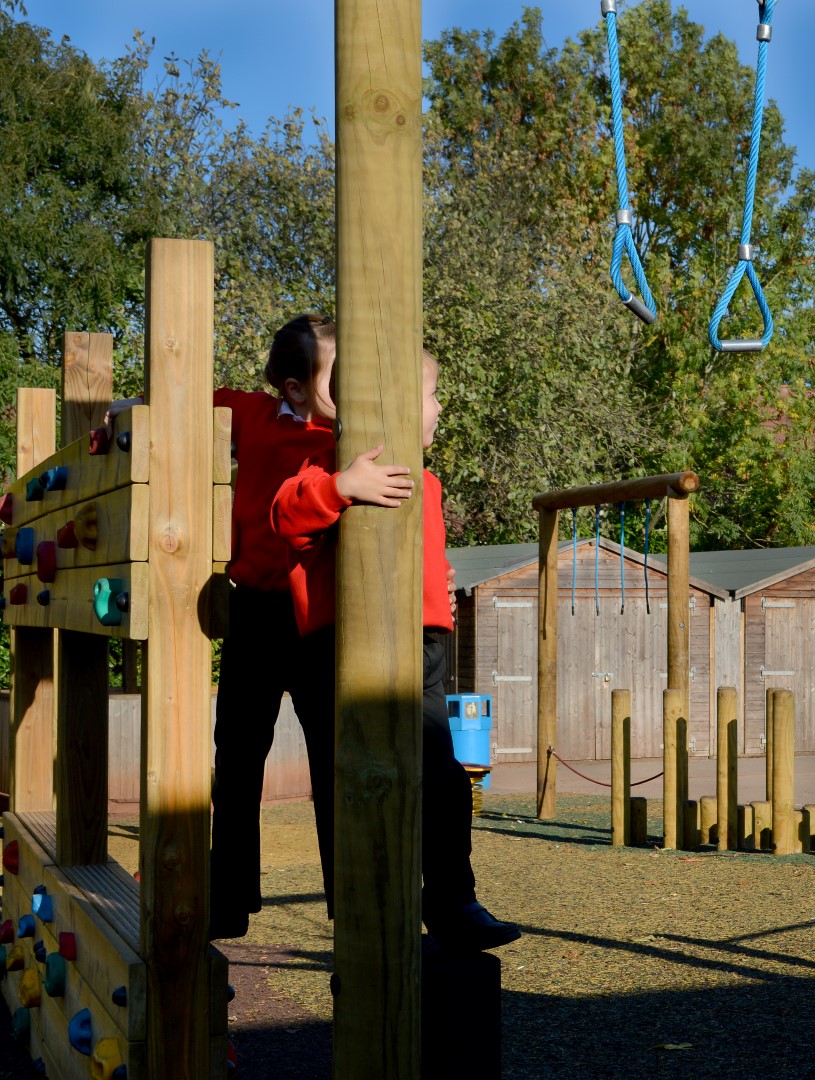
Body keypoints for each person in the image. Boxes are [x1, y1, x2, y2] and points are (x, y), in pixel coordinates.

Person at [271, 347, 520, 950]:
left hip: (425, 646)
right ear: (395, 409)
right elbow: (286, 516)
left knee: (443, 778)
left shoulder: (426, 482)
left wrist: (442, 585)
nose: (440, 408)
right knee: (361, 779)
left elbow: (422, 552)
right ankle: (374, 906)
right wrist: (342, 487)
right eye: (433, 396)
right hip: (347, 648)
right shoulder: (327, 465)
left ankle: (453, 901)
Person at [112, 313, 343, 939]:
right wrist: (132, 406)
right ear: (294, 387)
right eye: (334, 370)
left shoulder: (350, 436)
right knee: (238, 757)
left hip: (320, 619)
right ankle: (230, 895)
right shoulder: (255, 416)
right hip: (257, 610)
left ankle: (346, 898)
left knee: (333, 759)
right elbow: (181, 405)